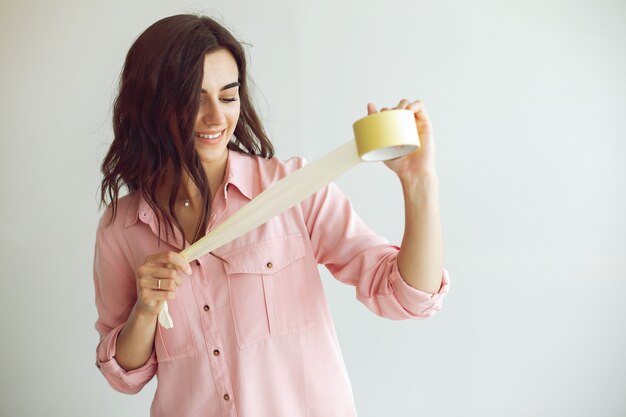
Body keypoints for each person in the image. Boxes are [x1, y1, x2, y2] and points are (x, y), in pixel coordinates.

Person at [94, 13, 450, 417]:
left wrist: (419, 182)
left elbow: (407, 297)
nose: (216, 118)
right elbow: (124, 375)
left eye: (228, 97)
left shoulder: (294, 189)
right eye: (194, 99)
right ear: (150, 104)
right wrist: (146, 309)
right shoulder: (121, 229)